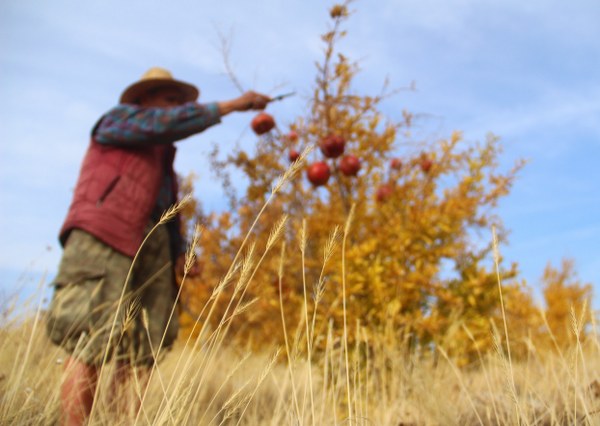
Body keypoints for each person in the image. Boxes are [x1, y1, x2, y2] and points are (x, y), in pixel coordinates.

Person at [45, 67, 271, 425]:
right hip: (105, 235)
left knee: (142, 348)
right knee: (90, 335)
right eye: (171, 100)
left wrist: (179, 252)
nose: (179, 107)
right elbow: (162, 124)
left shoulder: (164, 165)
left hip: (151, 250)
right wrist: (230, 106)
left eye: (182, 103)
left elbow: (167, 214)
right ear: (143, 99)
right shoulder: (119, 121)